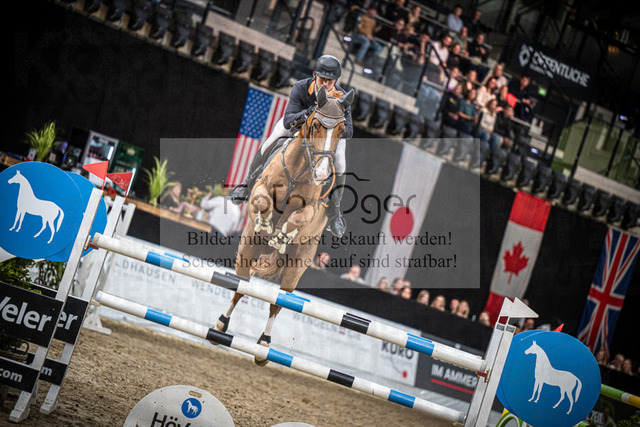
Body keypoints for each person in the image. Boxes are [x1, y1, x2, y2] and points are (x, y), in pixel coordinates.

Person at [230, 55, 353, 238]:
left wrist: (331, 132)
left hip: (327, 135)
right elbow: (288, 120)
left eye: (330, 80)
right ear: (314, 75)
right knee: (271, 140)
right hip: (298, 126)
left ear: (336, 80)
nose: (326, 84)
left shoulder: (342, 97)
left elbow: (349, 130)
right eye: (322, 79)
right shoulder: (301, 87)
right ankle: (247, 184)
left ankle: (335, 211)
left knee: (341, 162)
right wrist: (309, 114)